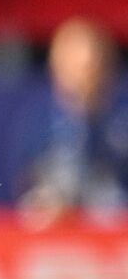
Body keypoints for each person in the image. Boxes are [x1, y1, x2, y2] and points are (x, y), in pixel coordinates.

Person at [18, 17, 128, 227]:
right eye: (75, 66)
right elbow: (23, 189)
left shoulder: (121, 125)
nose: (83, 77)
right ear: (56, 66)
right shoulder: (38, 124)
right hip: (55, 237)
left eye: (91, 67)